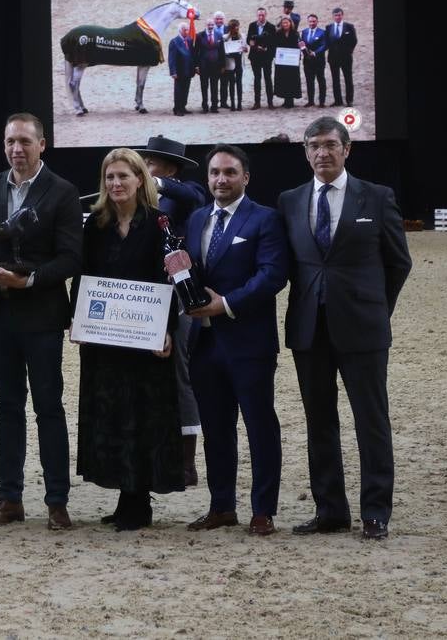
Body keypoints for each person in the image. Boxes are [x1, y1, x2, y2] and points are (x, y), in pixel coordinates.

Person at [278, 117, 411, 540]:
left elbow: (398, 262)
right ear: (305, 151)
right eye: (314, 145)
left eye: (331, 145)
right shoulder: (290, 200)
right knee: (319, 421)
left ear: (347, 149)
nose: (322, 153)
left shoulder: (375, 197)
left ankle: (376, 512)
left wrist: (375, 309)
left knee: (371, 421)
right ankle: (330, 510)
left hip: (363, 329)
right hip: (308, 329)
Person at [165, 145, 289, 536]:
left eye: (230, 172)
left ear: (245, 177)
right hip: (203, 344)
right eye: (215, 172)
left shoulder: (265, 219)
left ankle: (263, 510)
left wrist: (226, 305)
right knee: (217, 430)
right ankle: (221, 506)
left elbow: (272, 276)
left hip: (248, 343)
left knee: (259, 427)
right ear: (207, 178)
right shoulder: (199, 217)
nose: (221, 179)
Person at [0, 113, 82, 530]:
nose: (17, 149)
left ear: (42, 144)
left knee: (48, 408)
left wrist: (29, 279)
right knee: (7, 407)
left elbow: (71, 257)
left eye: (25, 142)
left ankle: (56, 501)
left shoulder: (64, 192)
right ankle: (9, 498)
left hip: (42, 316)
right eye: (10, 141)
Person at [70, 148, 182, 530]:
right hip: (105, 339)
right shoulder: (95, 225)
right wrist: (78, 321)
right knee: (111, 415)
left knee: (143, 415)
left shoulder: (158, 223)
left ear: (140, 180)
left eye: (123, 177)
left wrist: (168, 328)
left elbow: (170, 279)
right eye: (109, 177)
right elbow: (83, 277)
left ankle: (139, 501)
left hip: (146, 339)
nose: (116, 184)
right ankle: (124, 495)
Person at [138, 135, 209, 487]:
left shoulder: (185, 192)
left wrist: (159, 183)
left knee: (179, 370)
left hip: (178, 294)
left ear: (168, 168)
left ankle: (187, 462)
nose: (145, 169)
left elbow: (194, 196)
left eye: (151, 164)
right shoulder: (142, 199)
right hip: (146, 294)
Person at [327, 7, 359, 106]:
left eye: (339, 15)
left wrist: (349, 51)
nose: (338, 17)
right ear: (333, 16)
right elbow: (327, 41)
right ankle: (338, 100)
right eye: (336, 15)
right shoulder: (329, 27)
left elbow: (354, 40)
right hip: (333, 58)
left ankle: (349, 100)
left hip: (346, 57)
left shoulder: (349, 26)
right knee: (335, 79)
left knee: (348, 78)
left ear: (342, 15)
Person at [246, 8, 276, 110]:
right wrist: (255, 47)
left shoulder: (271, 27)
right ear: (257, 15)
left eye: (263, 15)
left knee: (268, 79)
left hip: (267, 57)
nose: (261, 17)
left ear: (266, 15)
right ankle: (257, 102)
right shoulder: (252, 25)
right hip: (255, 56)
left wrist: (267, 49)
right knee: (257, 79)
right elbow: (249, 40)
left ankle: (270, 102)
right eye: (259, 15)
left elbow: (273, 42)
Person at [273, 14, 303, 108]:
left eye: (287, 22)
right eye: (283, 23)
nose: (285, 24)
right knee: (283, 80)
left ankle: (290, 101)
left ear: (290, 23)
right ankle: (286, 100)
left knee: (292, 79)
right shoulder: (278, 34)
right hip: (282, 61)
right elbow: (275, 46)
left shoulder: (295, 33)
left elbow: (299, 45)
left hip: (292, 61)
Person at [194, 20, 224, 114]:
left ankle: (214, 106)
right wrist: (196, 66)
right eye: (209, 24)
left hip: (216, 65)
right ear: (205, 25)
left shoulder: (219, 35)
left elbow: (221, 51)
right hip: (204, 66)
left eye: (212, 24)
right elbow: (196, 52)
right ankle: (205, 106)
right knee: (204, 86)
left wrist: (223, 65)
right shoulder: (199, 35)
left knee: (214, 86)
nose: (210, 26)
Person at [301, 14, 329, 107]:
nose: (312, 23)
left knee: (321, 80)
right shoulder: (304, 32)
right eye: (310, 21)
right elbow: (302, 44)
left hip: (319, 60)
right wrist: (302, 49)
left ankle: (322, 102)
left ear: (317, 22)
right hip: (307, 61)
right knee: (309, 81)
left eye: (314, 21)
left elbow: (324, 45)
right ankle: (310, 101)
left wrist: (315, 52)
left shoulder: (322, 32)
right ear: (307, 22)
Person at [168, 24, 196, 117]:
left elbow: (192, 55)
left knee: (186, 89)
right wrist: (173, 72)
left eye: (188, 30)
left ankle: (183, 106)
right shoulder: (174, 42)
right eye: (185, 30)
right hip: (179, 70)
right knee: (178, 90)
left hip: (188, 69)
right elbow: (171, 58)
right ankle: (177, 108)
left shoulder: (189, 40)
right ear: (180, 30)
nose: (187, 32)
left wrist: (194, 68)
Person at [221, 18, 245, 112]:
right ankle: (232, 104)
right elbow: (223, 51)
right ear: (230, 28)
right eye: (234, 27)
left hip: (239, 61)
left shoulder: (242, 36)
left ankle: (239, 103)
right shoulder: (225, 37)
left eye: (237, 27)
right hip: (230, 62)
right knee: (231, 84)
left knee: (239, 83)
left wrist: (244, 49)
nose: (236, 29)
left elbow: (245, 48)